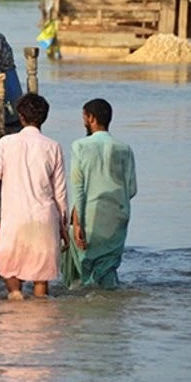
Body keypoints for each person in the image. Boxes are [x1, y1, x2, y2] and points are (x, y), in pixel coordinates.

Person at [0, 93, 68, 299]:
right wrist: (63, 227)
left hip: (15, 221)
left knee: (12, 278)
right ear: (44, 117)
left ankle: (14, 309)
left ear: (20, 116)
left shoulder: (6, 144)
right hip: (44, 219)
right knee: (41, 287)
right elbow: (60, 193)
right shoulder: (53, 147)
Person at [62, 98, 137, 289]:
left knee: (85, 266)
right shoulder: (124, 149)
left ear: (91, 118)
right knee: (108, 267)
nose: (84, 121)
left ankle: (89, 309)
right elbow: (132, 189)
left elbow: (78, 187)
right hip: (118, 215)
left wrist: (78, 222)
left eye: (84, 117)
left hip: (91, 213)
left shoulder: (80, 146)